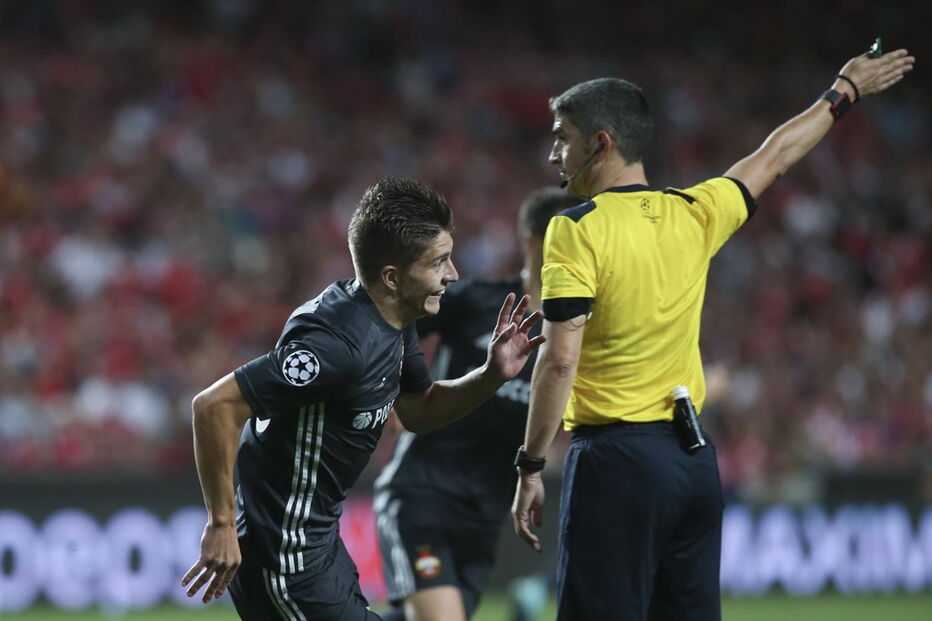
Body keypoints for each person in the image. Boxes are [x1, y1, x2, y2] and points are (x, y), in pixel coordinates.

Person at [510, 47, 914, 620]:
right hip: (693, 465)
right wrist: (843, 90)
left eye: (562, 137)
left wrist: (529, 467)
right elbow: (773, 157)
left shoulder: (575, 229)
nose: (554, 151)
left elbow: (557, 362)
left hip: (616, 465)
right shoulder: (693, 211)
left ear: (600, 143)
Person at [180, 177, 545, 620]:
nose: (452, 275)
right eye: (439, 263)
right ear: (392, 276)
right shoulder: (338, 347)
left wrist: (490, 376)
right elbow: (214, 406)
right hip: (285, 556)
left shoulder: (394, 318)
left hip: (319, 546)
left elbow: (418, 407)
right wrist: (220, 523)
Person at [374, 187, 582, 621]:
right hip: (422, 495)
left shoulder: (582, 335)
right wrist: (390, 394)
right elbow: (393, 319)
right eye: (568, 237)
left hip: (486, 516)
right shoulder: (477, 302)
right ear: (532, 240)